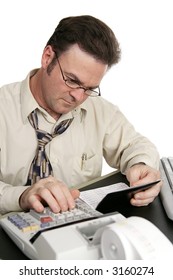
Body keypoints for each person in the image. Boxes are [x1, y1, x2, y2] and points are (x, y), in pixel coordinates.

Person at [0, 15, 162, 215]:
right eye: (71, 80)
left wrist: (142, 166)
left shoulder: (99, 111)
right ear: (47, 57)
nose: (78, 96)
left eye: (89, 88)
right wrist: (21, 196)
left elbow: (137, 145)